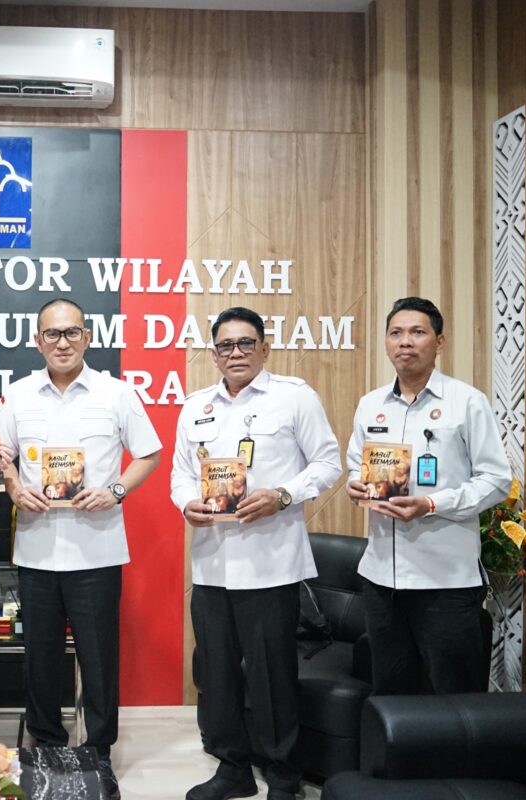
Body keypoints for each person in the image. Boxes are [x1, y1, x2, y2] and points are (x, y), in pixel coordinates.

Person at [171, 306, 341, 800]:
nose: (236, 353)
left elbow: (329, 462)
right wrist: (187, 502)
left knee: (272, 679)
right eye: (225, 345)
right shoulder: (195, 406)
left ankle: (284, 777)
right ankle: (233, 769)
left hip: (271, 564)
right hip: (211, 565)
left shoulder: (294, 399)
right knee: (218, 676)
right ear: (213, 353)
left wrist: (283, 495)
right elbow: (181, 473)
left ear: (265, 349)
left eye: (246, 343)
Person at [0, 298, 161, 767]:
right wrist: (13, 489)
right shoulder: (18, 394)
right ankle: (46, 742)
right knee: (40, 656)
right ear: (36, 341)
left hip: (97, 549)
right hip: (37, 549)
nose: (62, 342)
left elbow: (148, 454)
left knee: (99, 657)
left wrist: (115, 490)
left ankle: (98, 748)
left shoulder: (116, 393)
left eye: (71, 333)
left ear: (87, 337)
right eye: (52, 334)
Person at [346, 297, 511, 695]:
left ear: (439, 342)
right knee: (391, 692)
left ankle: (457, 762)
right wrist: (356, 485)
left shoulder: (466, 401)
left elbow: (496, 479)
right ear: (386, 342)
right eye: (396, 333)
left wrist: (432, 504)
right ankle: (399, 761)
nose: (406, 342)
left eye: (418, 332)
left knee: (453, 695)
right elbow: (356, 464)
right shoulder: (371, 405)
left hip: (446, 581)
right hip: (381, 578)